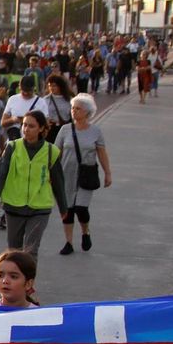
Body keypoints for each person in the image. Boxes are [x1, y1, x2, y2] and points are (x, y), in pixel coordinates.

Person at [0, 109, 68, 258]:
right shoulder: (12, 147)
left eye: (31, 126)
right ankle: (17, 280)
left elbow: (58, 182)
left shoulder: (51, 151)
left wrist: (64, 208)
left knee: (31, 251)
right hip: (14, 206)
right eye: (24, 125)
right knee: (14, 252)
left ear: (42, 128)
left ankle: (29, 282)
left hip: (39, 208)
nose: (26, 129)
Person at [54, 93, 111, 255]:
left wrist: (108, 173)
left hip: (86, 174)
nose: (74, 111)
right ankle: (69, 242)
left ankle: (85, 231)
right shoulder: (65, 130)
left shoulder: (95, 131)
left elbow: (102, 153)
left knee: (81, 208)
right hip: (66, 175)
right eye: (72, 108)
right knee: (68, 210)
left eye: (78, 108)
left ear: (87, 112)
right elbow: (55, 152)